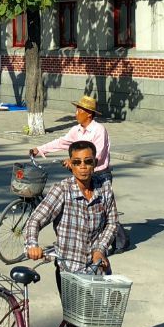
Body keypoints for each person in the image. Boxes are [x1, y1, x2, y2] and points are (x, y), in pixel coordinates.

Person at [23, 139, 121, 327]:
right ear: (70, 163)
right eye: (77, 162)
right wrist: (32, 245)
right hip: (70, 272)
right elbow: (35, 220)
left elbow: (112, 222)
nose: (83, 167)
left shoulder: (104, 189)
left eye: (88, 161)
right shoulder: (62, 190)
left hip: (97, 269)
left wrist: (100, 248)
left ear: (95, 163)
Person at [29, 95, 128, 251]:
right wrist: (40, 149)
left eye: (79, 110)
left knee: (103, 211)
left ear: (88, 113)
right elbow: (62, 142)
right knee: (85, 208)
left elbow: (98, 156)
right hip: (82, 175)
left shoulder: (99, 130)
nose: (76, 113)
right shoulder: (76, 130)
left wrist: (77, 161)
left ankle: (119, 241)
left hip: (99, 174)